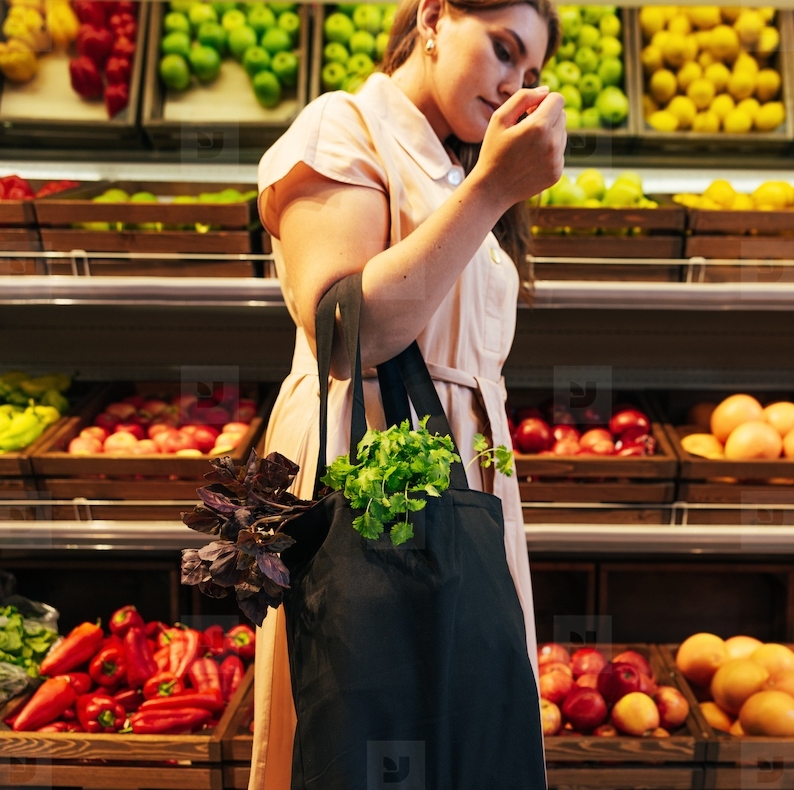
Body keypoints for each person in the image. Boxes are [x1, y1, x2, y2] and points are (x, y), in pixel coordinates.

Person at [249, 0, 564, 783]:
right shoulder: (343, 126)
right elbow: (345, 330)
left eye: (529, 73)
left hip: (459, 492)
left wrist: (484, 185)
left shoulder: (453, 167)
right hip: (368, 478)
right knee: (362, 723)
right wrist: (492, 190)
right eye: (502, 49)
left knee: (458, 733)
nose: (512, 83)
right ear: (432, 17)